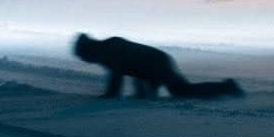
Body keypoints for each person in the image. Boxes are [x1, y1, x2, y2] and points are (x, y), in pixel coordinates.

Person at [72, 33, 243, 99]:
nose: (86, 61)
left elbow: (117, 78)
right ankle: (223, 89)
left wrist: (109, 96)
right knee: (167, 93)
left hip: (157, 64)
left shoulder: (109, 50)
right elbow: (131, 69)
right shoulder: (108, 48)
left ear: (88, 50)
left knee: (181, 91)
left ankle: (226, 87)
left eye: (83, 57)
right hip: (155, 63)